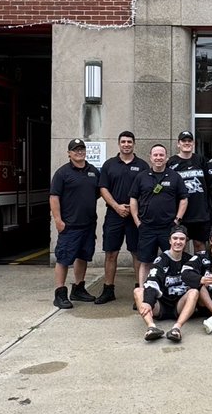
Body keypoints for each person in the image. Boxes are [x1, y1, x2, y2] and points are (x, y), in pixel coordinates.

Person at [48, 138, 100, 309]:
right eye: (75, 150)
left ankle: (78, 289)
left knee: (83, 256)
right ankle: (60, 293)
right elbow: (54, 197)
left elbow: (98, 193)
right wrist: (58, 220)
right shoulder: (62, 173)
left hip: (88, 224)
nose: (79, 152)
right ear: (69, 153)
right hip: (69, 225)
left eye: (82, 149)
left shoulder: (93, 171)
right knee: (63, 258)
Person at [98, 131, 148, 304]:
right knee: (111, 253)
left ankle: (139, 292)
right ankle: (108, 289)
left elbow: (146, 190)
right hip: (114, 214)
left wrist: (132, 208)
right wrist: (117, 206)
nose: (126, 144)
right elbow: (103, 188)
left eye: (129, 142)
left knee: (137, 253)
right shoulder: (109, 165)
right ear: (119, 144)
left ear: (134, 144)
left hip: (135, 216)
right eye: (123, 142)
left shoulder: (142, 165)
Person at [130, 143, 187, 285]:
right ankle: (144, 292)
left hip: (168, 227)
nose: (158, 157)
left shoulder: (175, 177)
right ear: (150, 157)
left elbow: (184, 199)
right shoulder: (141, 177)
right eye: (155, 155)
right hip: (147, 227)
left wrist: (177, 220)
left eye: (161, 155)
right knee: (145, 262)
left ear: (166, 157)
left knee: (172, 260)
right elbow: (133, 199)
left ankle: (171, 291)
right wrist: (138, 222)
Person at [135, 226, 202, 342]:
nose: (178, 242)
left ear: (186, 241)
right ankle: (151, 328)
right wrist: (148, 302)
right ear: (170, 241)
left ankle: (176, 329)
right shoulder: (162, 260)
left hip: (179, 305)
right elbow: (152, 281)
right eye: (175, 238)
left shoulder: (190, 260)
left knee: (194, 292)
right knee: (138, 291)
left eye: (182, 239)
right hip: (160, 305)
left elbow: (200, 279)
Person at [167, 130, 210, 253]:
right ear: (178, 144)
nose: (187, 143)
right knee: (179, 245)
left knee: (199, 245)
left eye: (189, 141)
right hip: (180, 214)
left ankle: (199, 270)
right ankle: (181, 271)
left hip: (200, 213)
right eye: (183, 141)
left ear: (193, 143)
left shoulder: (201, 160)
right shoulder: (171, 162)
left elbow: (209, 182)